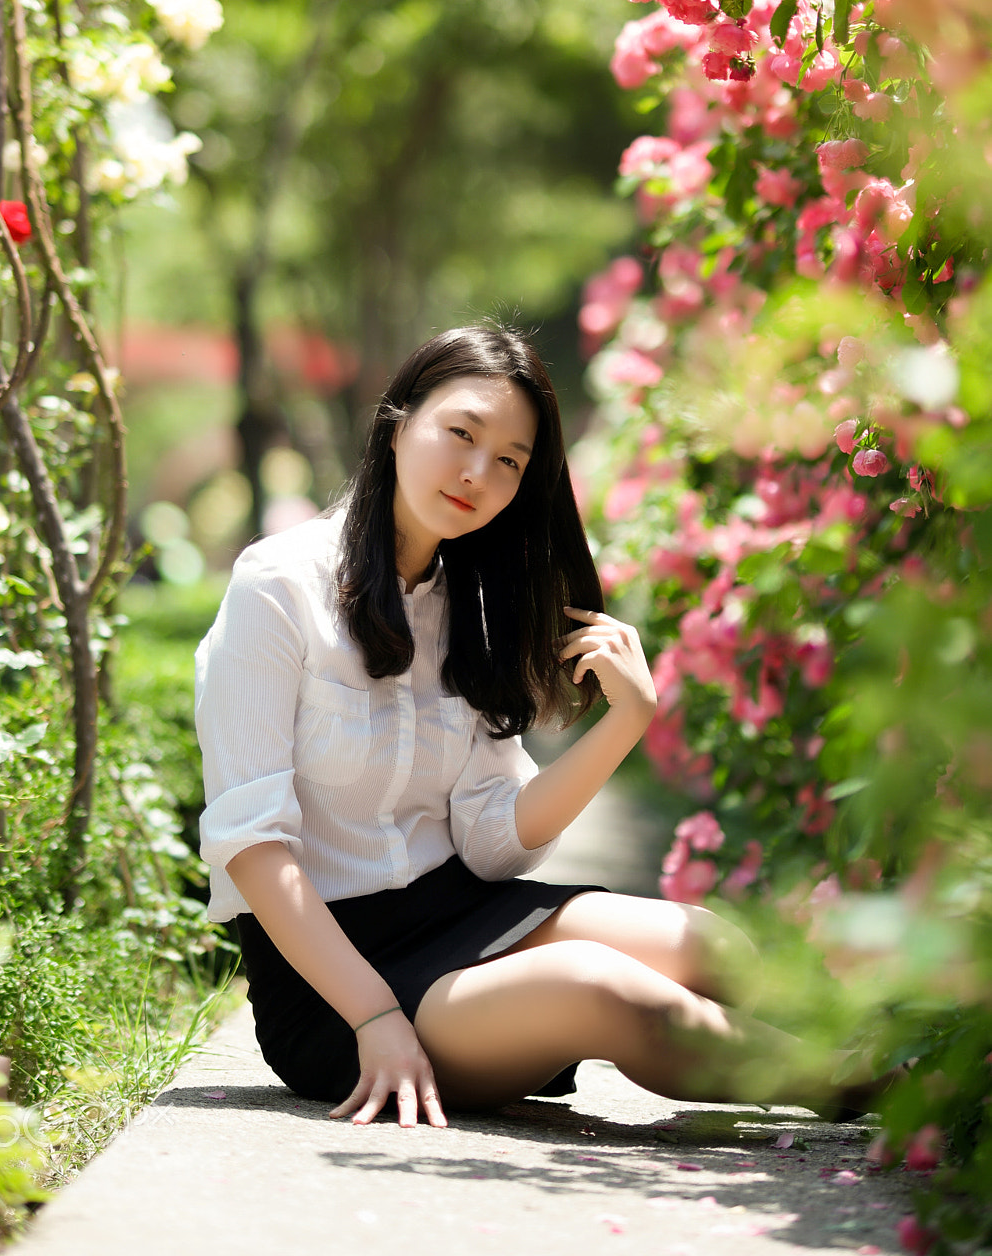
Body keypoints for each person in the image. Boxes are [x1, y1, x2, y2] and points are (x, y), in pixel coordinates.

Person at [195, 324, 879, 1128]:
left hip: (453, 911)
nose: (478, 473)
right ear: (397, 421)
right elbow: (252, 846)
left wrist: (629, 720)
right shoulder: (278, 585)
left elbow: (491, 840)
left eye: (510, 461)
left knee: (709, 943)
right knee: (602, 988)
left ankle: (885, 1042)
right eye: (461, 433)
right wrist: (376, 1019)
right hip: (331, 986)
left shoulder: (469, 609)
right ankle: (852, 1083)